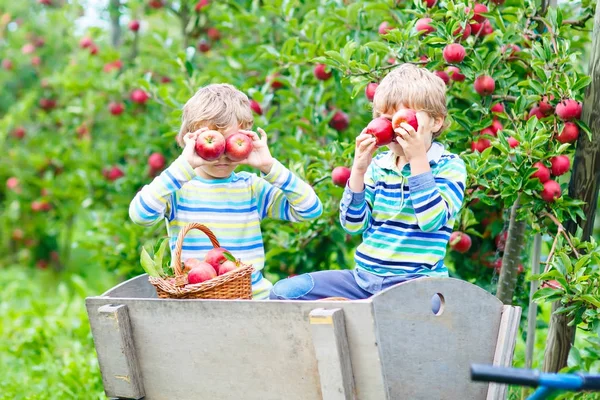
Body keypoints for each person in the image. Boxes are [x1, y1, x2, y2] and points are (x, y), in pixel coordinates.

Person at [269, 63, 467, 302]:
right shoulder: (379, 166)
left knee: (428, 318)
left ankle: (372, 315)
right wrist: (359, 170)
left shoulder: (449, 166)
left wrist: (417, 160)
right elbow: (353, 225)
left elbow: (431, 221)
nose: (394, 128)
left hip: (418, 286)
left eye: (404, 118)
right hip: (363, 281)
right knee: (285, 292)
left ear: (436, 122)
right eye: (386, 118)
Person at [130, 83, 323, 299]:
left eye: (230, 144)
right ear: (189, 142)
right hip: (195, 300)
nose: (222, 156)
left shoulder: (251, 187)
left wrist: (270, 167)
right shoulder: (178, 188)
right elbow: (140, 215)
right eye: (214, 144)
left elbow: (310, 210)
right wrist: (182, 167)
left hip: (253, 297)